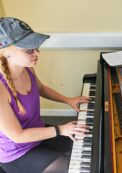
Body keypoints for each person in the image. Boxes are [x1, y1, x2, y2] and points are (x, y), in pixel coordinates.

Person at [0, 17, 89, 173]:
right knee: (67, 166)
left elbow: (41, 88)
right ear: (6, 52)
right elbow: (18, 136)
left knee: (84, 140)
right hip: (17, 153)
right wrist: (61, 129)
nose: (37, 53)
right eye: (29, 50)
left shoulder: (27, 68)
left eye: (35, 47)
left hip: (37, 133)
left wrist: (68, 100)